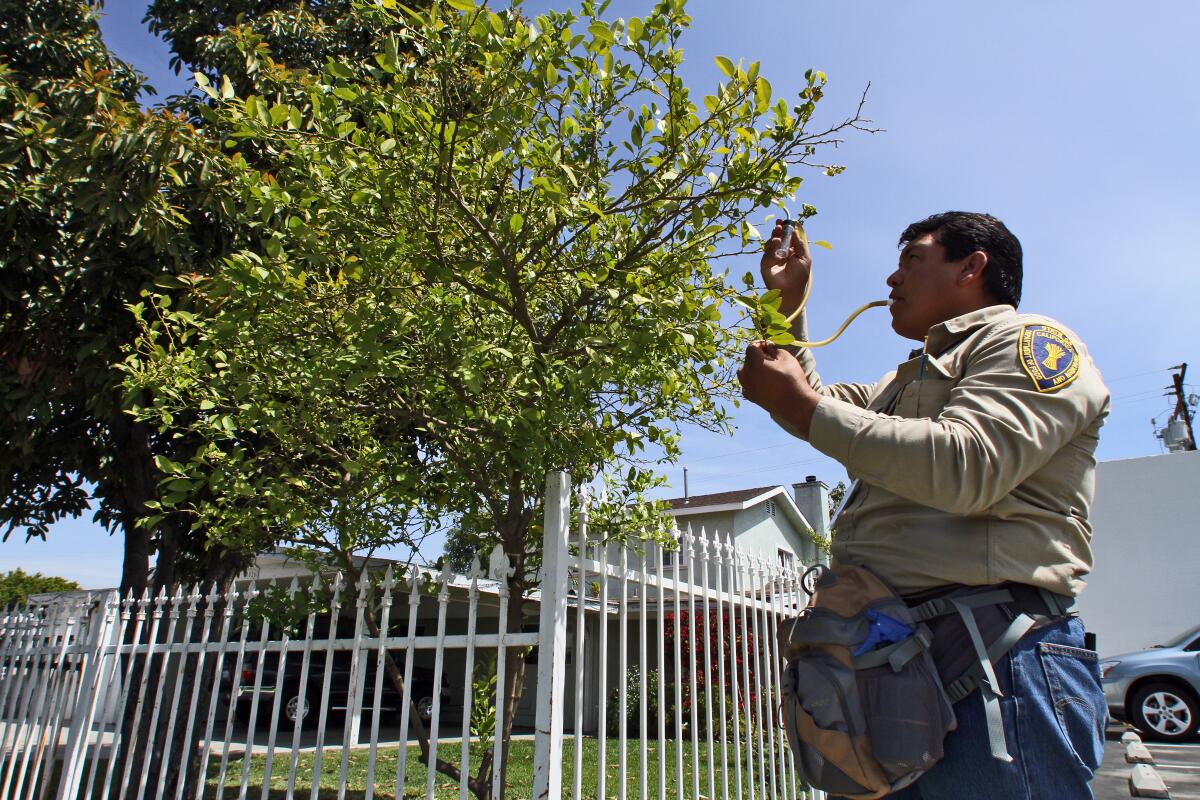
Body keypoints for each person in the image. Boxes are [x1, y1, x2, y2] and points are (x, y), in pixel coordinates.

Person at [738, 211, 1110, 799]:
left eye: (911, 258)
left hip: (996, 652)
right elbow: (804, 403)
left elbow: (969, 466)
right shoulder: (901, 379)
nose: (891, 278)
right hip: (892, 654)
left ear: (972, 266)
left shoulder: (1029, 342)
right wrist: (785, 308)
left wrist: (807, 409)